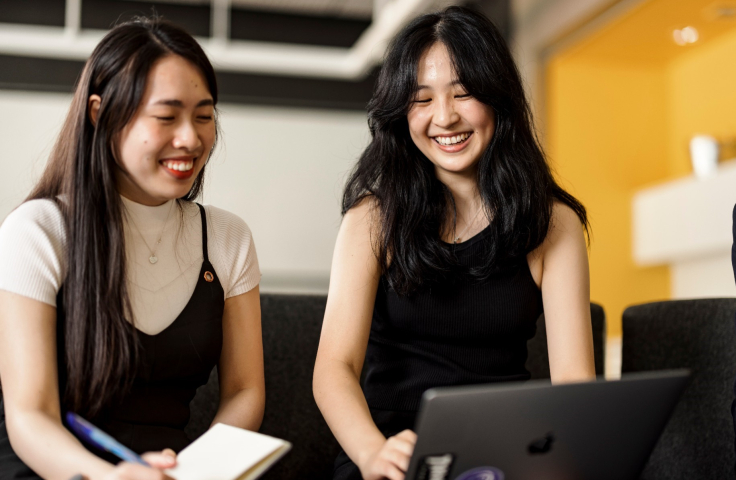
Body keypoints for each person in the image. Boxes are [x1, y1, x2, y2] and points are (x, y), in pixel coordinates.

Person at [313, 6, 596, 480]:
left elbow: (574, 385)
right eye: (421, 100)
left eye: (463, 93)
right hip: (392, 453)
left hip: (503, 454)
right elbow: (333, 370)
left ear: (497, 99)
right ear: (401, 113)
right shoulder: (372, 220)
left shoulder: (554, 223)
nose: (444, 118)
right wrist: (371, 453)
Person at [0, 18, 264, 480]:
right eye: (166, 116)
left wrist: (197, 471)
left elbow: (245, 391)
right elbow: (30, 416)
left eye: (204, 115)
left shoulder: (227, 238)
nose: (191, 138)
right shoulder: (37, 231)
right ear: (101, 114)